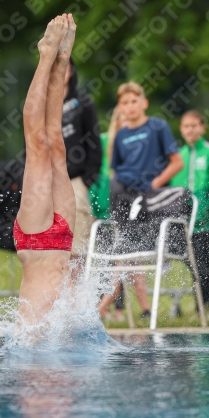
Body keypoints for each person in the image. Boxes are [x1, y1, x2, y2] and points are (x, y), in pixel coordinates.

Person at [98, 81, 183, 320]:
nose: (130, 106)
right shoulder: (121, 135)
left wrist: (155, 185)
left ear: (143, 103)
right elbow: (115, 172)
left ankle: (102, 307)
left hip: (151, 201)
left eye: (134, 101)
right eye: (125, 102)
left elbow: (177, 162)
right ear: (120, 108)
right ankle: (144, 309)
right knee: (126, 254)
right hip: (125, 200)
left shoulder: (158, 126)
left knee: (129, 254)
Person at [13, 14, 77, 323]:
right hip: (57, 240)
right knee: (53, 144)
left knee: (38, 144)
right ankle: (58, 59)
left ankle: (47, 57)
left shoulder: (32, 347)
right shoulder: (38, 346)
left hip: (36, 240)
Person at [170, 110, 209, 316]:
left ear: (202, 127)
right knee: (196, 266)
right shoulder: (177, 157)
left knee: (202, 263)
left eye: (194, 125)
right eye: (186, 126)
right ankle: (205, 308)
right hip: (187, 224)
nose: (190, 130)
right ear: (181, 130)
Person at [62, 58, 102, 265]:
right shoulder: (38, 105)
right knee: (51, 246)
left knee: (76, 247)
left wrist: (87, 180)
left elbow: (94, 143)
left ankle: (77, 296)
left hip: (76, 180)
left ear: (72, 71)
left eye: (64, 66)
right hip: (46, 185)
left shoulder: (83, 103)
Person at [89, 108, 127, 321]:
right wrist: (93, 208)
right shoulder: (104, 142)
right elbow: (94, 174)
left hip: (125, 210)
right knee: (108, 261)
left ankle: (109, 307)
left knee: (119, 261)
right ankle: (108, 306)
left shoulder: (134, 146)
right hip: (103, 209)